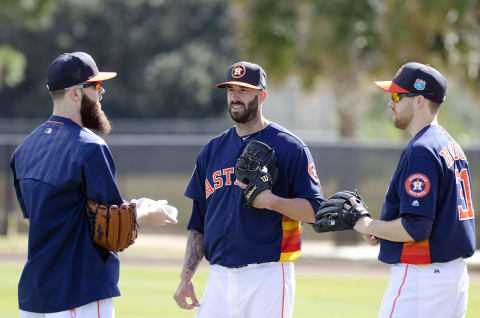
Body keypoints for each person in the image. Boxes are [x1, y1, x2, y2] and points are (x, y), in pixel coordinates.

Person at [10, 52, 177, 318]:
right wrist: (146, 213)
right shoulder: (89, 147)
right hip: (79, 292)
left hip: (33, 296)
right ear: (75, 93)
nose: (101, 93)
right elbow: (111, 226)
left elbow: (46, 220)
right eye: (96, 86)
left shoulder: (23, 150)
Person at [173, 61, 324, 317]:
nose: (235, 96)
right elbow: (198, 221)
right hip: (219, 276)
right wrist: (186, 276)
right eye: (231, 89)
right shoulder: (212, 150)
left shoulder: (290, 147)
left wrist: (272, 201)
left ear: (261, 95)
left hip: (268, 276)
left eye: (243, 90)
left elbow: (316, 212)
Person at [352, 62, 475, 318]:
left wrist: (366, 225)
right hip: (452, 277)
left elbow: (416, 228)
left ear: (419, 100)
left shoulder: (422, 150)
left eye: (397, 95)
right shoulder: (449, 145)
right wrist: (384, 231)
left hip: (423, 279)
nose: (390, 103)